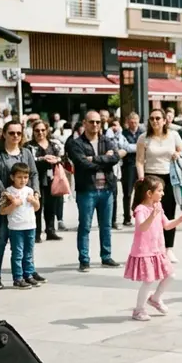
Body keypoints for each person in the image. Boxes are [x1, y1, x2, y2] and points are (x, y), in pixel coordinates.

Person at [126, 176, 182, 321]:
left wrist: (181, 218)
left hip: (158, 250)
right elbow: (142, 227)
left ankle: (155, 298)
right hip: (145, 251)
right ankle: (138, 310)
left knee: (170, 275)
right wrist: (152, 215)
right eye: (160, 191)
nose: (163, 194)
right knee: (148, 281)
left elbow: (167, 225)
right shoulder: (141, 209)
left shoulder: (158, 207)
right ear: (149, 193)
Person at [66, 111, 122, 272]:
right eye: (91, 122)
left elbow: (116, 158)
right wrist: (105, 159)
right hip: (87, 190)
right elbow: (82, 164)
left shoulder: (107, 140)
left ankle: (106, 256)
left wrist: (95, 159)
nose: (95, 125)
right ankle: (84, 259)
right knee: (85, 226)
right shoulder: (76, 143)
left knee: (106, 226)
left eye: (98, 122)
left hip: (107, 189)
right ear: (84, 123)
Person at [136, 109, 182, 263]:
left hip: (169, 177)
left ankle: (168, 248)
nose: (155, 121)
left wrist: (178, 155)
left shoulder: (174, 136)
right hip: (151, 177)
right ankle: (153, 247)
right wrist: (141, 177)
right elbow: (139, 160)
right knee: (151, 214)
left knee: (169, 212)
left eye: (158, 118)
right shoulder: (144, 138)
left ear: (164, 120)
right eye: (152, 118)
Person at [0, 162, 40, 289]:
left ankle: (28, 275)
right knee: (18, 253)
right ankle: (18, 277)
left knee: (29, 252)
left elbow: (37, 208)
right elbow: (2, 211)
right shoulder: (8, 193)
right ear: (12, 177)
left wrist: (34, 201)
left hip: (30, 226)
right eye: (19, 177)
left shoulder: (30, 190)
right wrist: (13, 204)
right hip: (16, 228)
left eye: (25, 177)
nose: (23, 180)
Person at [28, 120, 63, 242]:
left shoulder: (54, 144)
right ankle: (36, 233)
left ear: (47, 130)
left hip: (52, 179)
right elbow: (29, 161)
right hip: (36, 180)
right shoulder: (29, 146)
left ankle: (50, 231)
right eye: (37, 130)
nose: (40, 133)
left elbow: (63, 157)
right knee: (37, 207)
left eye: (43, 130)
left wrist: (57, 159)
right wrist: (43, 159)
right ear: (33, 132)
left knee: (51, 207)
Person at [119, 113, 144, 227]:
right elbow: (124, 147)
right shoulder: (123, 133)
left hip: (142, 165)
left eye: (135, 121)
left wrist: (131, 147)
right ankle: (126, 217)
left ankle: (141, 216)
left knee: (142, 192)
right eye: (131, 122)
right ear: (127, 122)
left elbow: (145, 146)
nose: (134, 124)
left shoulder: (143, 132)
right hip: (128, 166)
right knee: (127, 193)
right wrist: (139, 147)